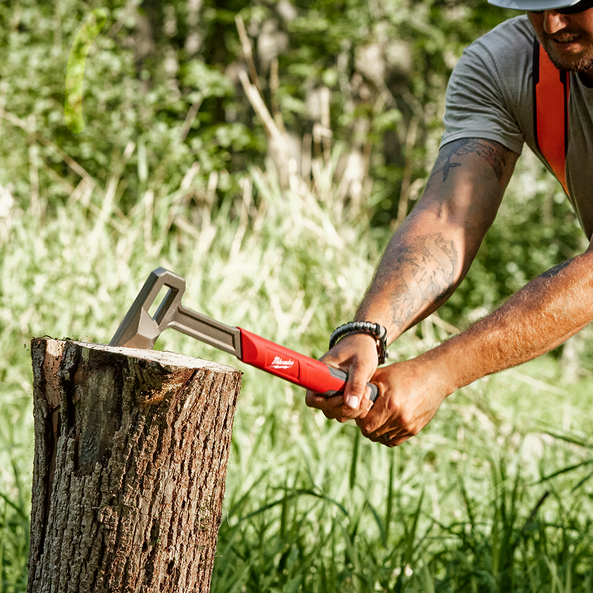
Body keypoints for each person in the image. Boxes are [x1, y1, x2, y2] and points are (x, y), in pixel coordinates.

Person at [306, 0, 593, 446]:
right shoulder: (506, 63)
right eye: (537, 5)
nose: (552, 23)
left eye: (571, 3)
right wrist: (369, 331)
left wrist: (440, 371)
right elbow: (449, 216)